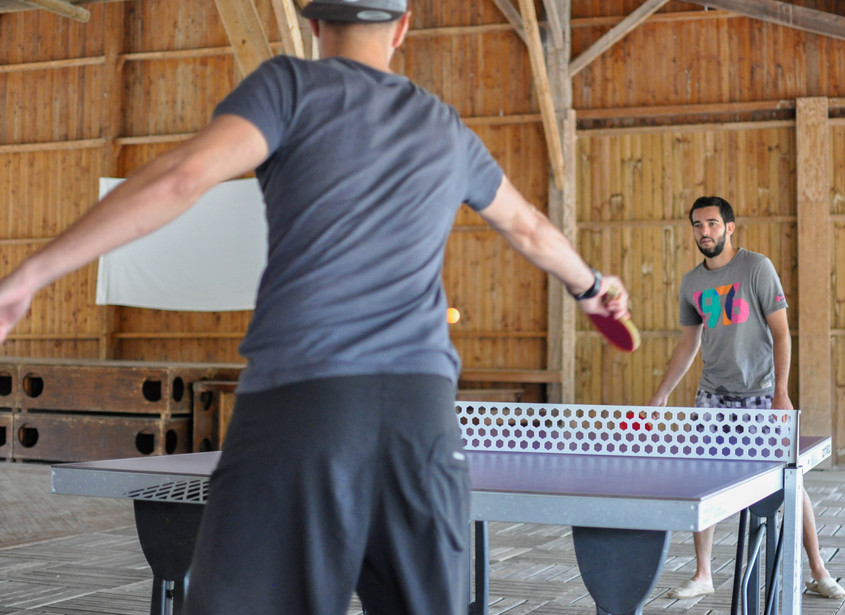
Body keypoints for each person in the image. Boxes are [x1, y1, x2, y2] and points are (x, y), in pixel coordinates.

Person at [0, 1, 631, 613]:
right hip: (421, 417)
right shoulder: (445, 126)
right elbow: (531, 231)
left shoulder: (288, 87)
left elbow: (180, 179)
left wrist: (31, 275)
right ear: (403, 27)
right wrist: (591, 286)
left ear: (313, 21)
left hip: (302, 406)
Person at [649, 195, 845, 601]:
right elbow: (689, 344)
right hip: (712, 398)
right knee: (703, 480)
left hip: (761, 396)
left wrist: (781, 393)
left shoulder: (756, 267)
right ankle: (703, 574)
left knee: (791, 483)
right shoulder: (691, 283)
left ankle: (819, 571)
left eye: (713, 225)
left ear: (730, 227)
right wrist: (661, 394)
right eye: (698, 225)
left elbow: (781, 333)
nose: (705, 232)